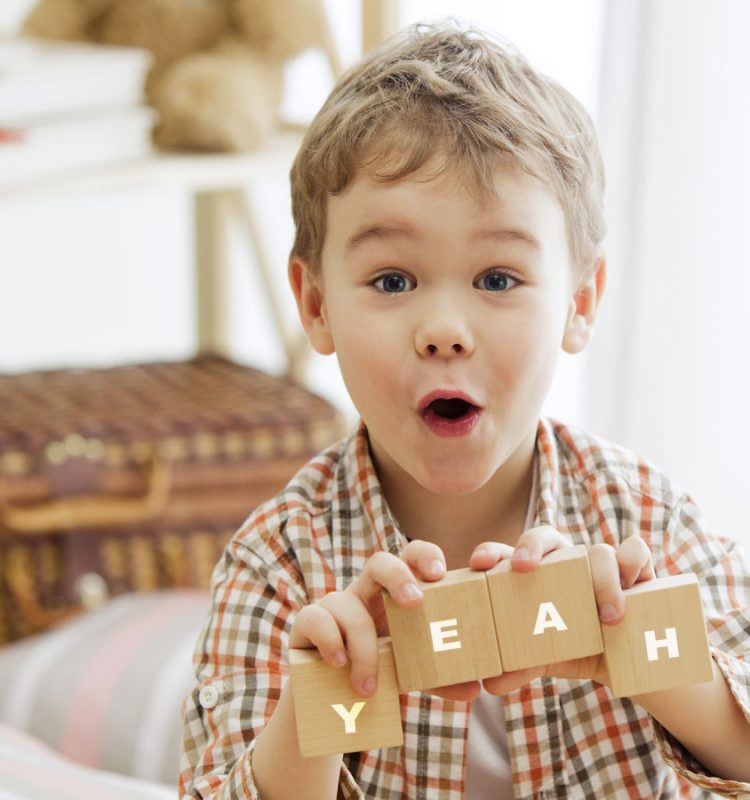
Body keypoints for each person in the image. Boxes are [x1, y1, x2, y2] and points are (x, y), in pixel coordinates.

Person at [179, 20, 750, 799]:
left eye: (497, 279)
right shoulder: (278, 565)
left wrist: (644, 654)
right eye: (391, 281)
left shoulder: (646, 520)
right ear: (315, 304)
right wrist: (318, 710)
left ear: (579, 302)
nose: (444, 331)